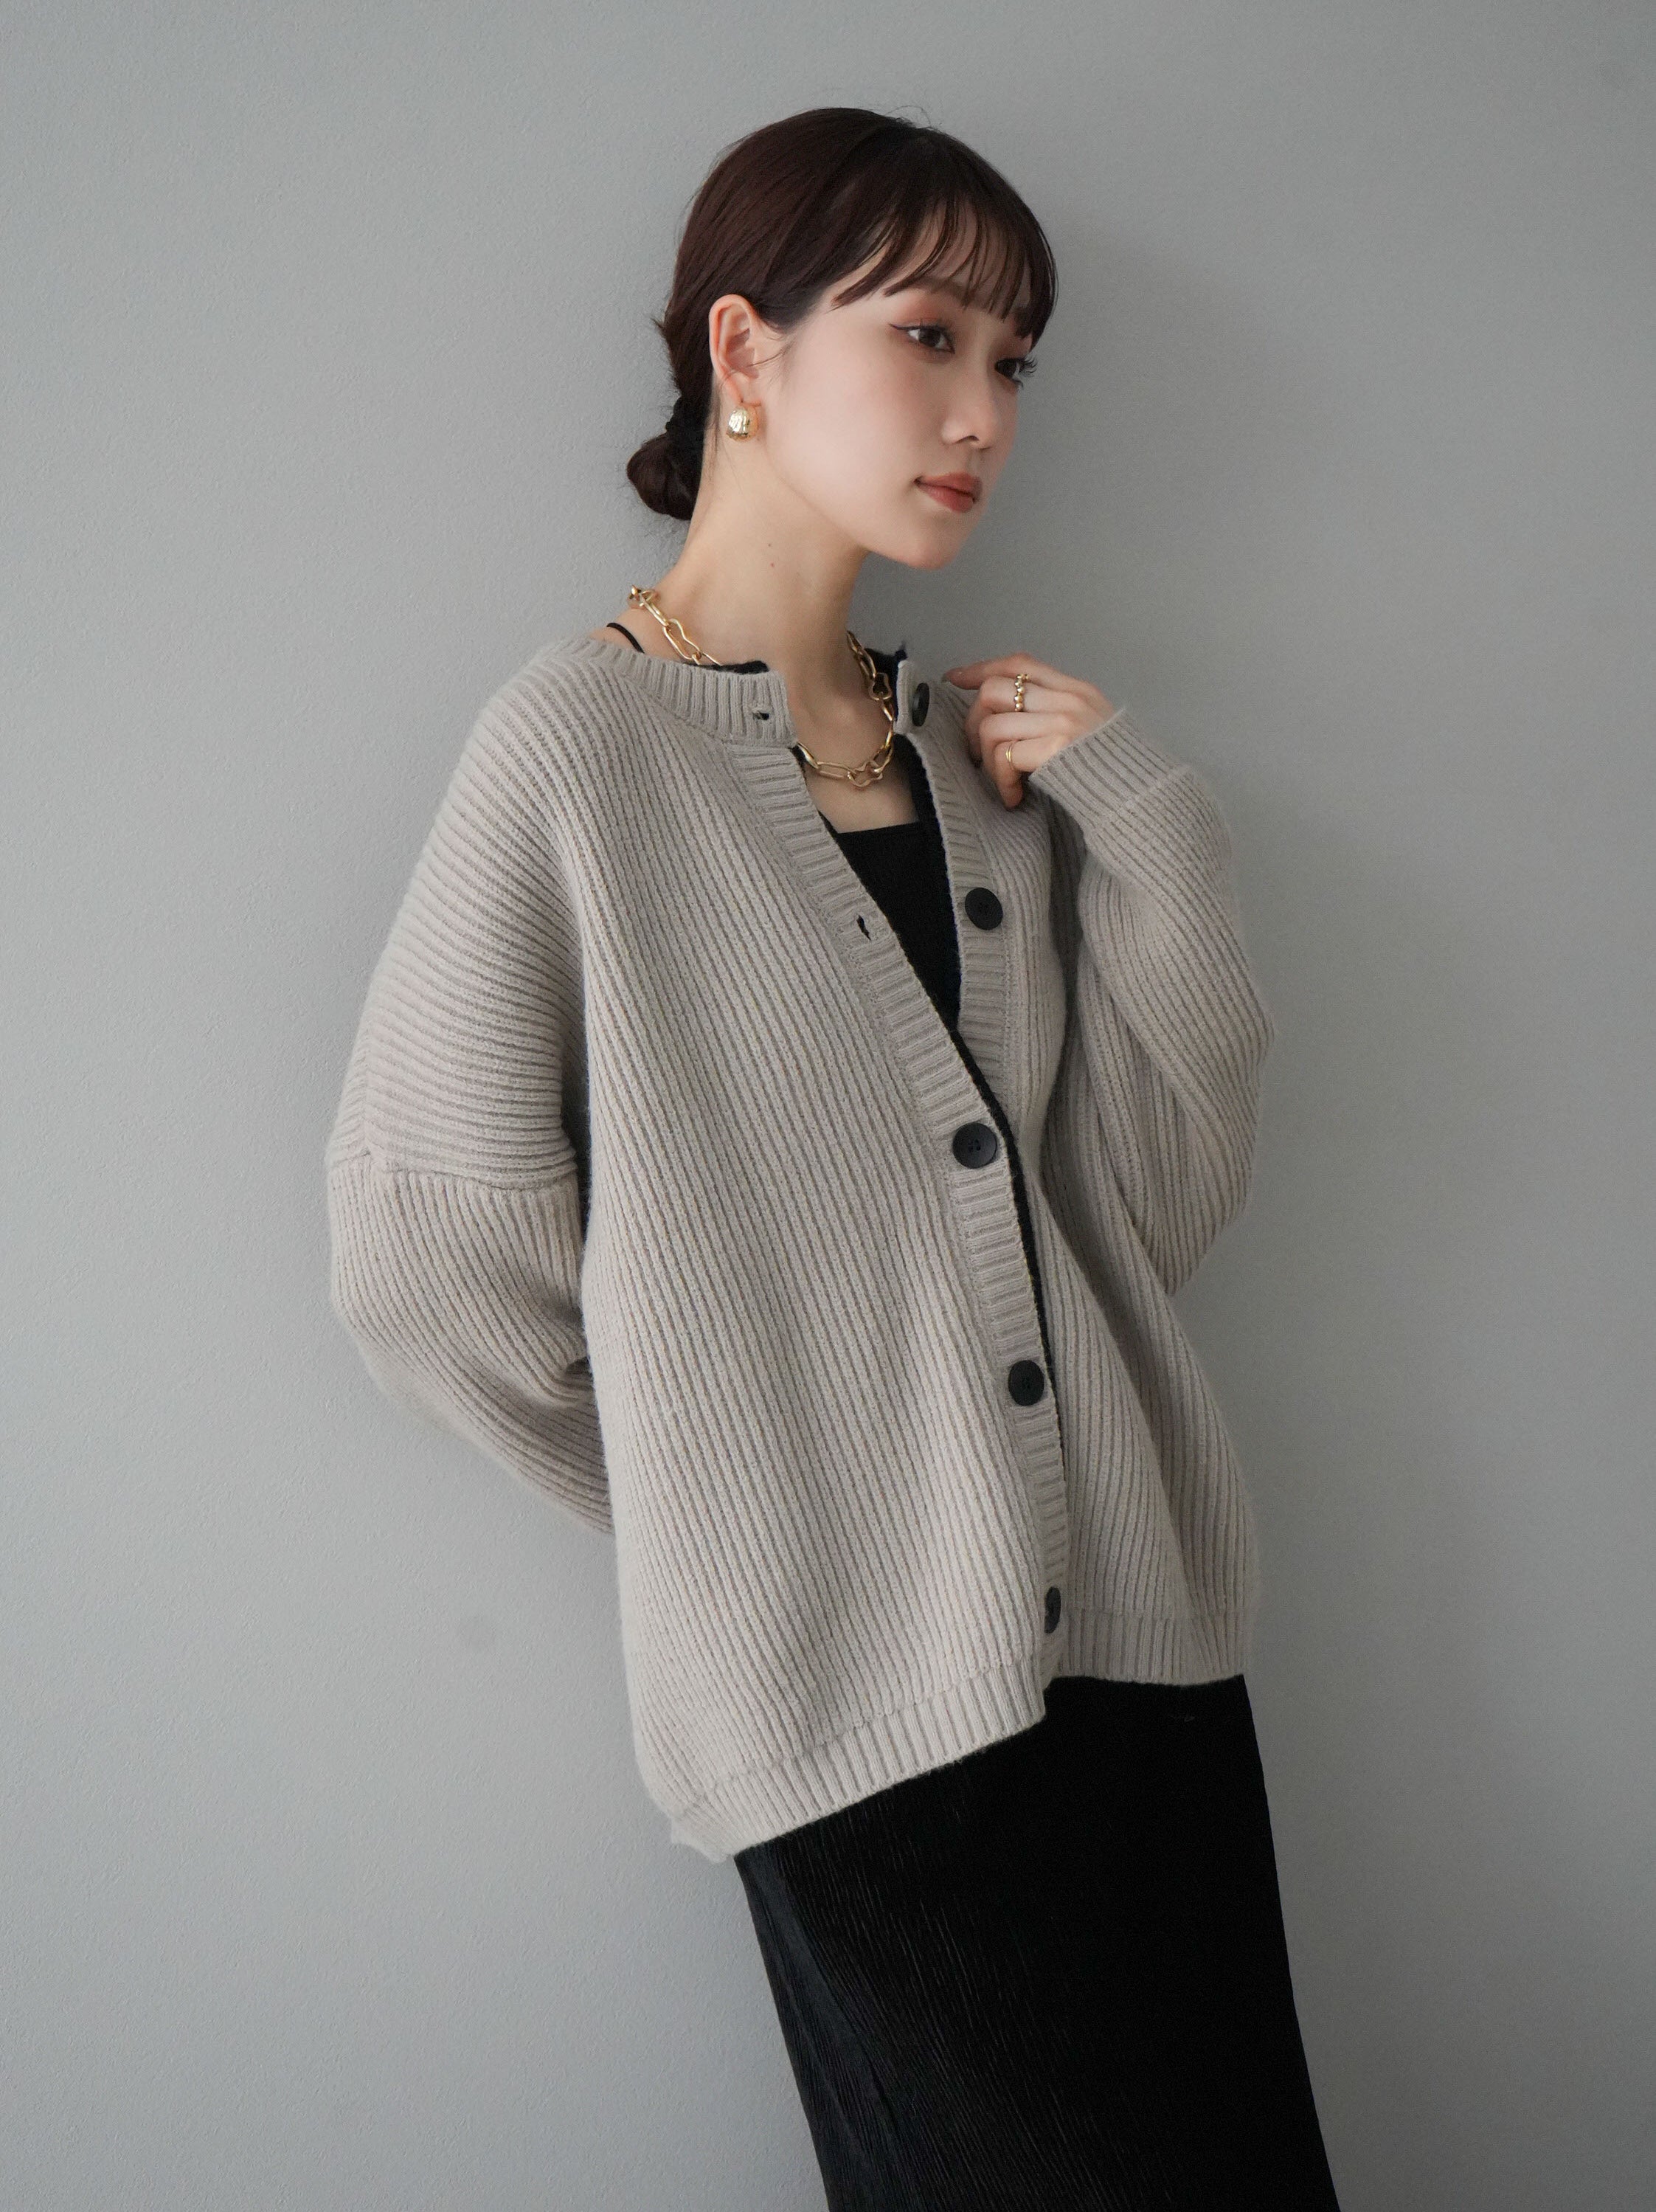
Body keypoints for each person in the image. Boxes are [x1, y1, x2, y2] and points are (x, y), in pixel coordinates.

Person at [326, 105, 1341, 2209]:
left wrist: (1153, 831)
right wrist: (752, 1504)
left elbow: (1141, 1216)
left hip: (1144, 1663)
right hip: (863, 1716)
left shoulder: (976, 774)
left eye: (1016, 362)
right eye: (929, 336)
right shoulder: (574, 752)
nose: (985, 413)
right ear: (747, 349)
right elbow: (428, 1264)